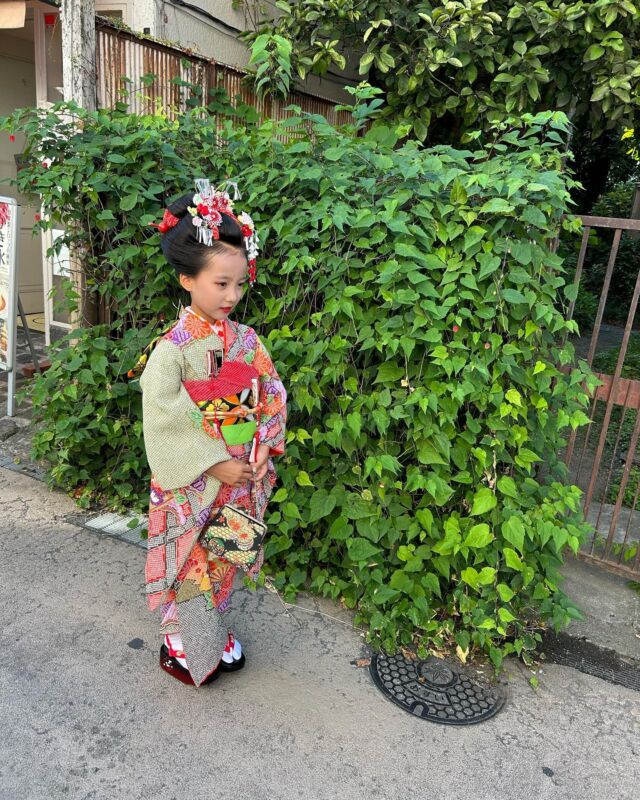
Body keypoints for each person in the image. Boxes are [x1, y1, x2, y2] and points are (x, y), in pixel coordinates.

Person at [138, 179, 287, 687]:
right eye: (220, 283)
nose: (232, 295)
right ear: (188, 280)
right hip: (195, 479)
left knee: (222, 559)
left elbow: (270, 392)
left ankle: (213, 630)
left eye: (239, 284)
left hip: (240, 474)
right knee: (192, 560)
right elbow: (162, 413)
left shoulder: (247, 341)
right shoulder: (173, 348)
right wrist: (210, 460)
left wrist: (265, 442)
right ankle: (183, 642)